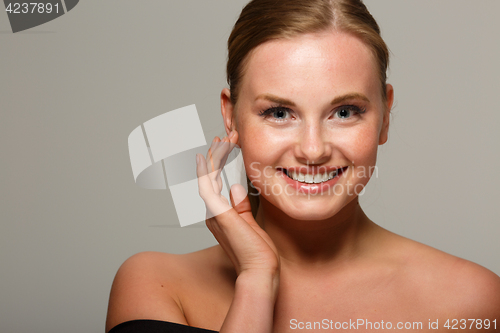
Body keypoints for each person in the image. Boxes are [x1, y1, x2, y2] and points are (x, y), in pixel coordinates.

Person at [105, 0, 500, 332]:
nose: (313, 150)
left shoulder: (471, 301)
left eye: (345, 112)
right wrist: (256, 280)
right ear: (231, 117)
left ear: (385, 116)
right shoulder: (156, 286)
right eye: (279, 112)